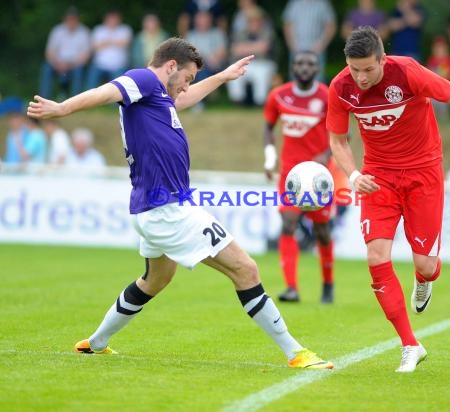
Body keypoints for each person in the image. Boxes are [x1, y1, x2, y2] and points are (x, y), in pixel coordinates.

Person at [27, 37, 333, 369]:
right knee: (245, 269)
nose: (186, 87)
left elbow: (185, 98)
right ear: (171, 66)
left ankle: (95, 343)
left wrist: (222, 77)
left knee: (156, 280)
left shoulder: (159, 98)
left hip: (154, 207)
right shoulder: (144, 80)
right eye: (187, 77)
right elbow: (108, 91)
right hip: (168, 208)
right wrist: (62, 108)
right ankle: (296, 353)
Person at [326, 26, 450, 372]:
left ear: (383, 59)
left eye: (369, 68)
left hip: (423, 174)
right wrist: (353, 175)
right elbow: (338, 140)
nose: (362, 77)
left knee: (426, 265)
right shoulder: (340, 87)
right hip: (378, 177)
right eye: (355, 69)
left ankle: (424, 278)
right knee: (375, 255)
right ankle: (410, 344)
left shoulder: (408, 71)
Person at [263, 51, 334, 304]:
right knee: (288, 224)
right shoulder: (278, 95)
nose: (305, 67)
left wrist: (326, 155)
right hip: (291, 174)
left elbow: (342, 134)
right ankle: (291, 287)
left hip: (319, 176)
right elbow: (268, 128)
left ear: (317, 69)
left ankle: (327, 284)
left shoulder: (327, 96)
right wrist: (270, 158)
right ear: (293, 66)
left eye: (310, 64)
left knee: (322, 231)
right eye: (300, 63)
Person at [226, 6, 276, 106]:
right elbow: (235, 50)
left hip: (264, 63)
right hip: (246, 63)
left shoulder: (268, 32)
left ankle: (260, 103)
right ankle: (238, 102)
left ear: (261, 21)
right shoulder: (241, 33)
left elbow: (263, 48)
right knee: (234, 71)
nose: (254, 23)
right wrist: (256, 47)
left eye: (256, 21)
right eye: (251, 21)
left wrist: (244, 48)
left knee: (260, 74)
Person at [39, 6, 91, 100]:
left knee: (78, 71)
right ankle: (44, 98)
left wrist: (70, 65)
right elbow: (49, 52)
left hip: (75, 64)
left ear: (78, 20)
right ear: (65, 19)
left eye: (73, 19)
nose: (71, 21)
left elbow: (86, 55)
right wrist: (57, 63)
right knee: (46, 68)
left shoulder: (84, 32)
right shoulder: (57, 31)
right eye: (69, 19)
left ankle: (76, 100)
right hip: (57, 63)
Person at [282, 0, 337, 81]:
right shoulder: (294, 3)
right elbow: (287, 25)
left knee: (317, 80)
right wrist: (292, 45)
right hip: (297, 48)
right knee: (295, 80)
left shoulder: (323, 4)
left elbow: (331, 26)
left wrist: (321, 44)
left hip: (316, 49)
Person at [86, 9, 133, 89]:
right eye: (110, 19)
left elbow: (126, 43)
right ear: (106, 19)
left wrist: (106, 42)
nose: (112, 21)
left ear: (119, 19)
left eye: (115, 19)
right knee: (92, 78)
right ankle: (89, 98)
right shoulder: (98, 30)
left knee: (121, 86)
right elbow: (94, 46)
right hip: (100, 64)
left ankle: (118, 100)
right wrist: (115, 42)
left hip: (118, 65)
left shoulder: (125, 29)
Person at [426, 36, 450, 121]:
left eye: (441, 48)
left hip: (445, 88)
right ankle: (433, 118)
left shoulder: (449, 60)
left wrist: (444, 77)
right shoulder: (432, 60)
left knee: (443, 105)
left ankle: (444, 118)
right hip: (434, 88)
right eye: (437, 48)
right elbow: (428, 72)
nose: (439, 51)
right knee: (433, 104)